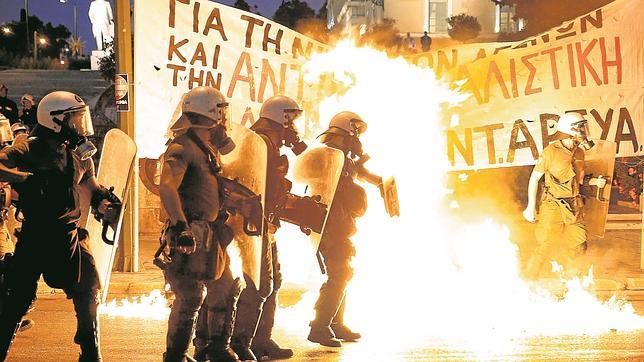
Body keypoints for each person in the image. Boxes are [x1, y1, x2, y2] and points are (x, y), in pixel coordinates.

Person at [0, 91, 120, 362]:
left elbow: (89, 182)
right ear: (56, 120)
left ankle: (91, 353)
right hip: (36, 236)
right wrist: (26, 179)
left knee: (89, 288)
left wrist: (103, 199)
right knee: (15, 301)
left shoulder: (78, 153)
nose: (80, 125)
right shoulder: (27, 146)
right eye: (75, 119)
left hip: (71, 234)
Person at [159, 86, 242, 362]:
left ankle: (216, 348)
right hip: (191, 232)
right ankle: (176, 356)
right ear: (211, 113)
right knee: (191, 296)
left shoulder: (206, 148)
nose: (224, 118)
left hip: (211, 233)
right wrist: (181, 226)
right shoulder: (183, 147)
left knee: (225, 288)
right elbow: (167, 187)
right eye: (221, 111)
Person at [225, 95, 307, 361]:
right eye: (291, 119)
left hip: (264, 224)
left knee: (272, 283)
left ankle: (260, 341)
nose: (293, 127)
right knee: (259, 285)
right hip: (252, 224)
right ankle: (240, 341)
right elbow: (261, 184)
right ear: (280, 118)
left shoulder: (266, 143)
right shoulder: (260, 143)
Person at [308, 111, 383, 348]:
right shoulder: (326, 156)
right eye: (356, 130)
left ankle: (336, 323)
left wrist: (383, 184)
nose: (358, 136)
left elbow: (362, 174)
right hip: (330, 226)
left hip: (342, 225)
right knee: (339, 274)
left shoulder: (344, 158)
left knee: (344, 272)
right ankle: (320, 325)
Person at [522, 113, 606, 279]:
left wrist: (595, 181)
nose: (584, 130)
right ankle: (528, 281)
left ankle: (573, 283)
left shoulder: (580, 153)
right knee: (546, 244)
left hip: (574, 204)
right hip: (552, 205)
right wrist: (530, 207)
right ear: (569, 129)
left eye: (584, 126)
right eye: (580, 127)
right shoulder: (551, 152)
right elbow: (535, 178)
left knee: (579, 245)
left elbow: (579, 181)